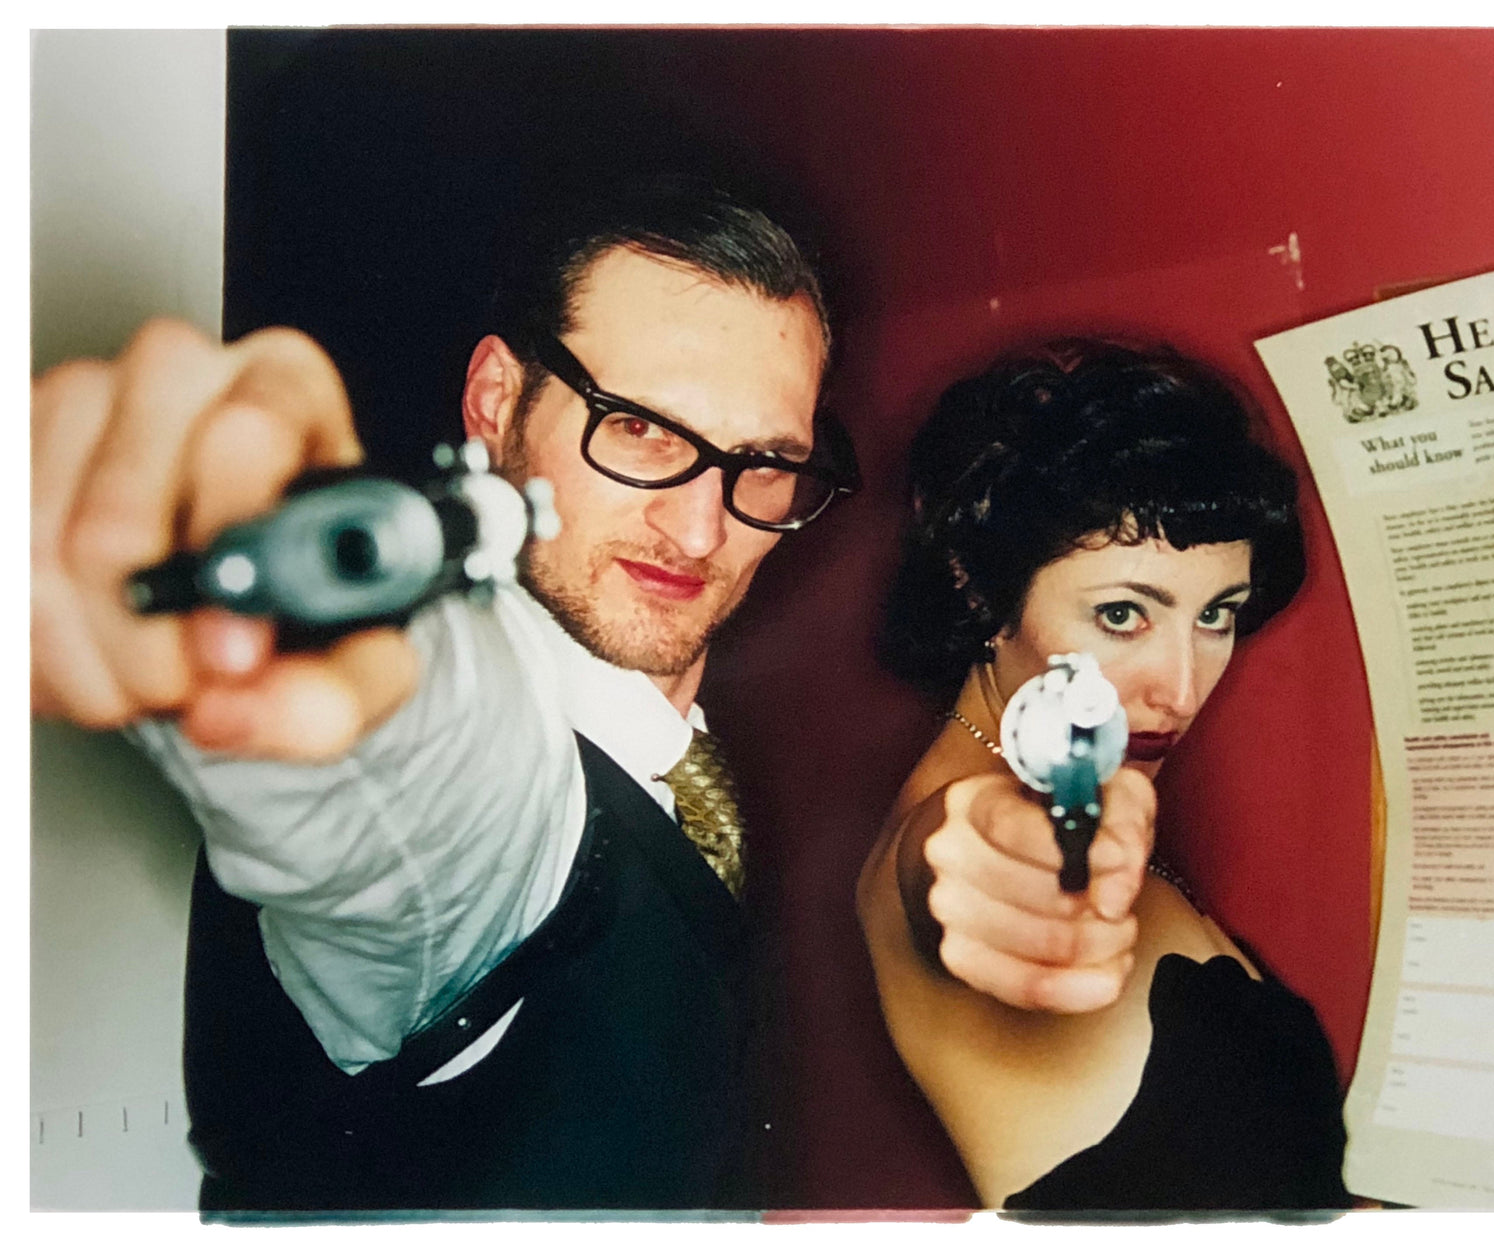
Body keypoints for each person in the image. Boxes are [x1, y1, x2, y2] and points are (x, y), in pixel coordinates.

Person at [31, 182, 1157, 1212]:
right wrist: (293, 632)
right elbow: (422, 782)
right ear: (493, 399)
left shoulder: (697, 765)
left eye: (764, 460)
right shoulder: (483, 771)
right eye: (640, 429)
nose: (703, 526)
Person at [857, 338, 1352, 1213]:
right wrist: (1020, 876)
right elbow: (967, 862)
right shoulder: (950, 827)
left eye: (1217, 615)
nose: (1183, 685)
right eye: (1122, 613)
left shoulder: (1101, 786)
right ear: (978, 586)